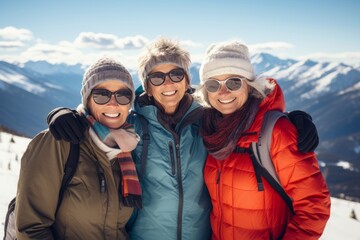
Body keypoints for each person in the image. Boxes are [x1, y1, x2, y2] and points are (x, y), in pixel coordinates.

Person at [46, 37, 320, 240]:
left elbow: (248, 117)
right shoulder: (130, 126)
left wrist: (290, 118)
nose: (168, 83)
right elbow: (100, 116)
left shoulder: (208, 123)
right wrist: (69, 114)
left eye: (176, 74)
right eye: (157, 77)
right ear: (147, 87)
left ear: (186, 80)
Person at [199, 40, 331, 240]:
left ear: (250, 86)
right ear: (206, 92)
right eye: (213, 84)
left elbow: (314, 206)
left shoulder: (275, 132)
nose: (223, 92)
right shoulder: (209, 131)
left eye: (234, 82)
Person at [15, 57, 141, 239]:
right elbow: (31, 228)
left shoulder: (128, 146)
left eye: (122, 95)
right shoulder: (60, 140)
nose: (113, 103)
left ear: (129, 103)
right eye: (101, 95)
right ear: (87, 99)